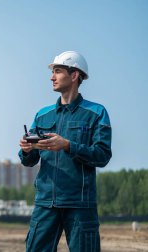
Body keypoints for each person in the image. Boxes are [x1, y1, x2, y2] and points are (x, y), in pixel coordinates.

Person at [19, 51, 112, 252]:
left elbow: (102, 155)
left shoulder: (96, 113)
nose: (52, 77)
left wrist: (68, 145)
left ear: (74, 75)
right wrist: (27, 150)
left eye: (58, 71)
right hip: (45, 203)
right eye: (53, 72)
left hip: (80, 204)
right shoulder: (42, 115)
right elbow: (29, 160)